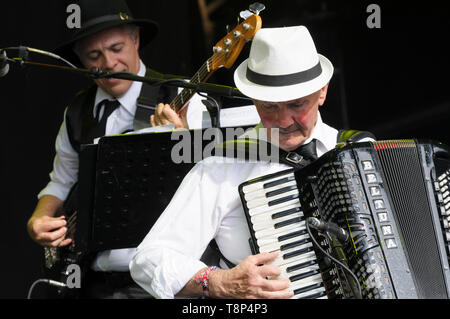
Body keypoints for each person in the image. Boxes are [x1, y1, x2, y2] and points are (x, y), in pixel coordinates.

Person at [130, 25, 375, 299]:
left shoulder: (361, 152)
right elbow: (149, 259)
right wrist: (218, 282)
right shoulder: (221, 166)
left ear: (322, 92)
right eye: (269, 107)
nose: (282, 122)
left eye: (296, 105)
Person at [26, 0, 207, 298]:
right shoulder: (77, 113)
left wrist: (182, 139)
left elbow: (212, 182)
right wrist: (39, 219)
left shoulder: (181, 96)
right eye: (94, 55)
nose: (108, 64)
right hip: (92, 279)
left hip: (163, 277)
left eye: (116, 48)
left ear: (135, 39)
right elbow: (61, 181)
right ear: (80, 58)